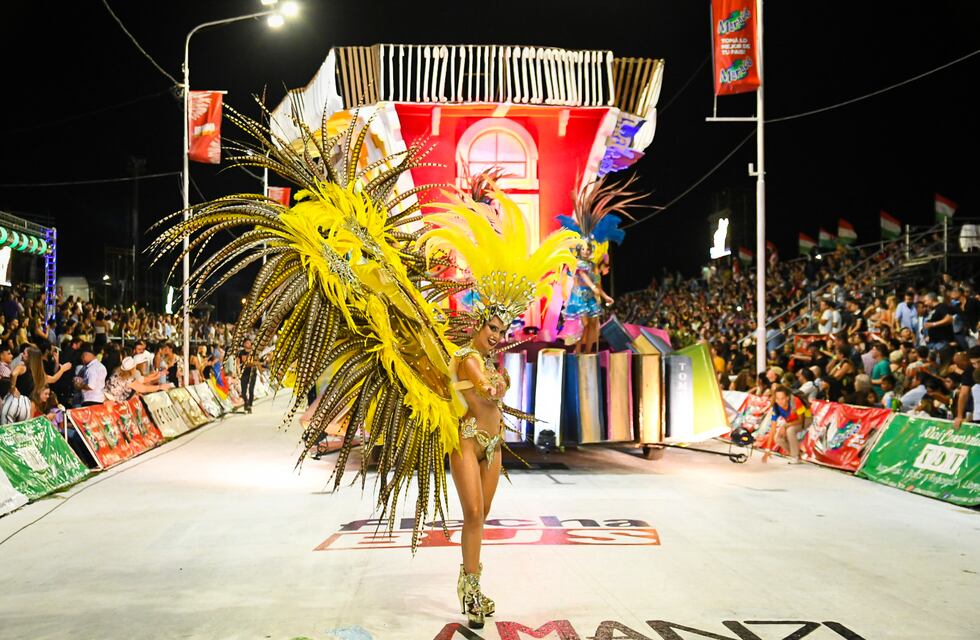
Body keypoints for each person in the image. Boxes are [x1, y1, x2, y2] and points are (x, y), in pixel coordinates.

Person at [769, 385, 806, 463]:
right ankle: (797, 453)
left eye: (782, 398)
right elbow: (773, 426)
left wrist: (785, 426)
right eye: (777, 398)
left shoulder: (796, 401)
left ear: (787, 397)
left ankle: (795, 456)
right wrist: (768, 448)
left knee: (790, 430)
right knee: (777, 438)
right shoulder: (776, 406)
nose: (779, 401)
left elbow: (801, 420)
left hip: (805, 420)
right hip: (791, 422)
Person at [74, 342, 107, 407]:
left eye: (82, 356)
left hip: (90, 400)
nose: (82, 359)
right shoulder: (101, 366)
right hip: (100, 399)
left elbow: (91, 386)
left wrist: (79, 386)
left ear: (86, 355)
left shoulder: (91, 369)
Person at [237, 338, 258, 413]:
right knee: (243, 392)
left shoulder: (254, 352)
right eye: (247, 343)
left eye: (250, 343)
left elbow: (256, 362)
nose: (249, 344)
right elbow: (238, 364)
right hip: (244, 373)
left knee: (251, 390)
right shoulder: (240, 353)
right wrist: (239, 373)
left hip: (252, 373)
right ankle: (246, 402)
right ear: (244, 344)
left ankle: (249, 405)